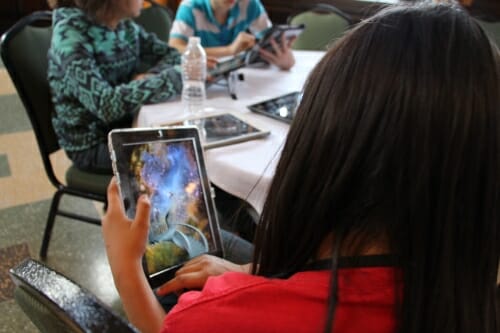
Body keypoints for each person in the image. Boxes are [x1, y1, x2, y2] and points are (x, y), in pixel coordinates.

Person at [102, 2, 500, 333]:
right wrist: (252, 270)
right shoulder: (466, 296)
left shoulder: (216, 318)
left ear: (318, 153)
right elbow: (176, 52)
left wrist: (125, 269)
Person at [47, 0, 183, 174]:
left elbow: (172, 55)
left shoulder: (122, 25)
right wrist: (176, 77)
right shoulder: (69, 36)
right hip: (94, 144)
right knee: (182, 161)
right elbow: (106, 106)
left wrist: (151, 75)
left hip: (127, 125)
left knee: (196, 143)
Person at [169, 0, 296, 70]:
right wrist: (229, 50)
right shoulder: (190, 7)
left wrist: (285, 57)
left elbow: (270, 41)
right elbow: (174, 49)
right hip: (203, 79)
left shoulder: (249, 4)